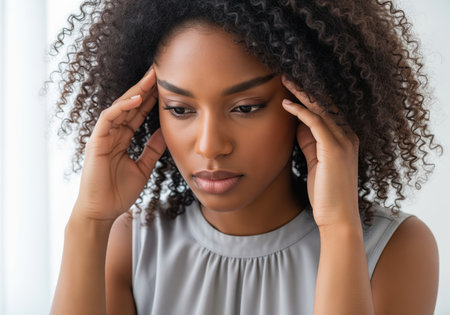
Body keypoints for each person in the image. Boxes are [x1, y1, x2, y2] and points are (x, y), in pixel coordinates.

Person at [49, 0, 441, 314]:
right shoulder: (131, 246)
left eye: (246, 107)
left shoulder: (394, 249)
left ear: (312, 104)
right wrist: (89, 222)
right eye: (181, 109)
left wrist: (340, 229)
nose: (209, 146)